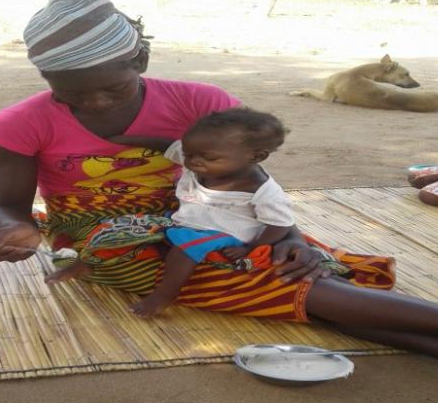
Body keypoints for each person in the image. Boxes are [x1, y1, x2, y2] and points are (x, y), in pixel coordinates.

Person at [0, 0, 438, 365]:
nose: (96, 103)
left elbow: (252, 180)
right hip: (105, 235)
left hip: (210, 213)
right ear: (46, 78)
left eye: (112, 87)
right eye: (70, 94)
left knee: (300, 266)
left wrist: (291, 236)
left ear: (140, 59)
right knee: (282, 282)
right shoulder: (16, 125)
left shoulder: (201, 102)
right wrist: (17, 227)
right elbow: (9, 206)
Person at [46, 107, 301, 317]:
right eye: (190, 154)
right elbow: (166, 145)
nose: (194, 162)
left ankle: (163, 295)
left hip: (224, 233)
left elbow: (280, 224)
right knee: (122, 225)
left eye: (209, 158)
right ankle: (85, 263)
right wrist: (127, 140)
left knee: (184, 249)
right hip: (182, 221)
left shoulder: (263, 190)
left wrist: (252, 248)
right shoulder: (199, 159)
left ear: (257, 156)